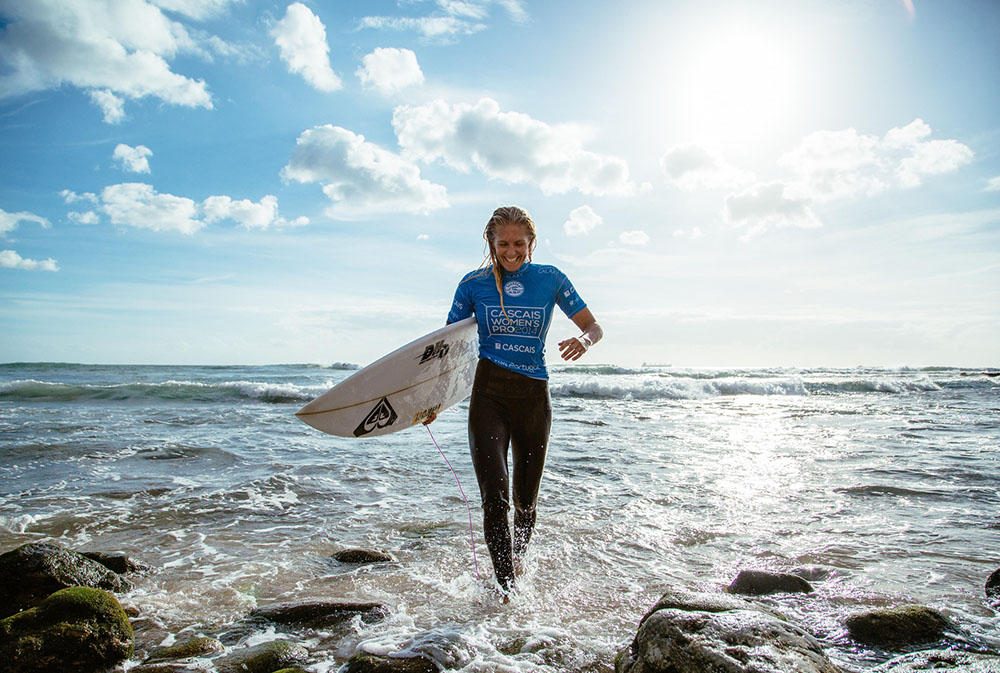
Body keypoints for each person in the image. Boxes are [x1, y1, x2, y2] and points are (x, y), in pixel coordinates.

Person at [443, 205, 603, 593]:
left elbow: (593, 326)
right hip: (489, 395)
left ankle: (518, 557)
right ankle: (505, 589)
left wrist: (583, 340)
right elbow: (447, 349)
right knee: (494, 500)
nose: (511, 251)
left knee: (525, 502)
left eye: (518, 243)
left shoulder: (551, 279)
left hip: (533, 397)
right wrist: (429, 401)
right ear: (491, 243)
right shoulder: (472, 284)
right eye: (503, 244)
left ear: (531, 243)